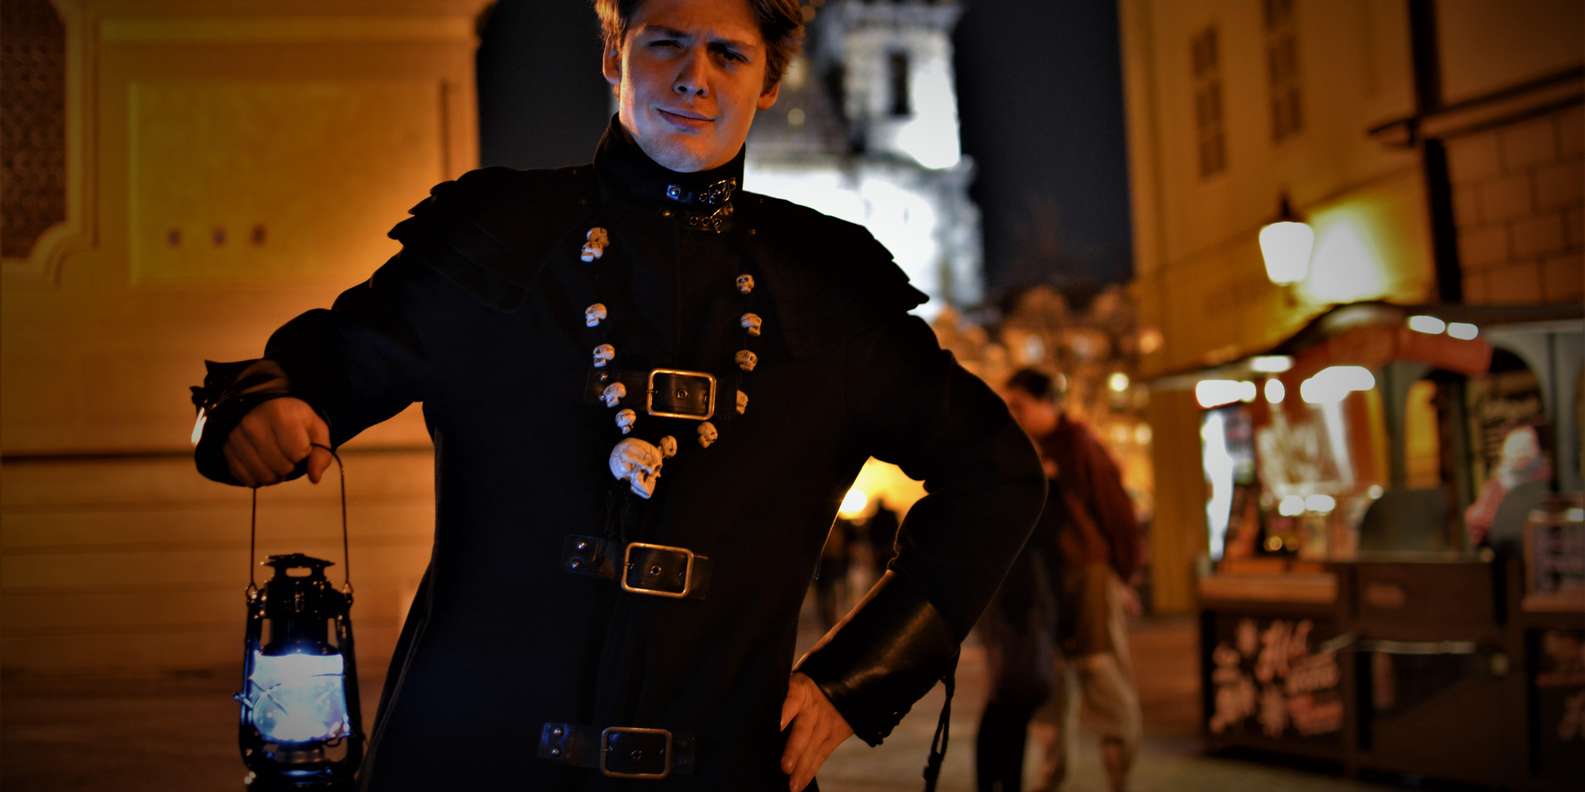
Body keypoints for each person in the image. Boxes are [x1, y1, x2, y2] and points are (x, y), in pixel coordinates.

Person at [187, 1, 1046, 789]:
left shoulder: (831, 290)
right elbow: (307, 374)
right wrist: (262, 409)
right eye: (664, 43)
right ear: (613, 54)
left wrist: (854, 682)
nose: (693, 77)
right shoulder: (497, 237)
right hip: (467, 764)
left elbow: (998, 476)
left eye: (727, 54)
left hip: (727, 771)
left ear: (769, 81)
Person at [1001, 368, 1142, 792]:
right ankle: (1051, 776)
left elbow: (1116, 511)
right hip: (1047, 582)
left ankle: (1119, 777)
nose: (1014, 415)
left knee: (1101, 675)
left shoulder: (1078, 445)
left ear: (1048, 403)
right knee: (1053, 682)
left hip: (1087, 576)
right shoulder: (1029, 450)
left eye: (1020, 406)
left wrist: (1123, 574)